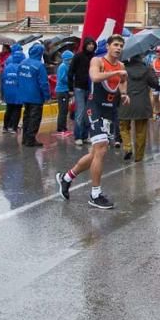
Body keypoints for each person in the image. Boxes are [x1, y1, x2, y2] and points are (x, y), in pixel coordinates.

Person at [56, 35, 128, 209]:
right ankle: (95, 194)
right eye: (115, 45)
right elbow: (95, 77)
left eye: (121, 46)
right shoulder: (98, 61)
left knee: (96, 153)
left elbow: (123, 80)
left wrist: (124, 94)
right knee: (101, 148)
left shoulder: (121, 66)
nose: (118, 48)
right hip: (94, 107)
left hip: (109, 110)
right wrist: (116, 73)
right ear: (108, 46)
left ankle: (66, 178)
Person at [119, 53, 160, 162]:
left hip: (125, 101)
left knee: (123, 127)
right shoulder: (146, 69)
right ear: (141, 57)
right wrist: (154, 74)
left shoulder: (123, 68)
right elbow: (155, 84)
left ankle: (127, 147)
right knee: (141, 131)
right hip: (142, 103)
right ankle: (139, 156)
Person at [17, 43, 50, 147]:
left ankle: (25, 138)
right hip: (36, 96)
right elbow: (44, 83)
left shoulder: (22, 63)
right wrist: (47, 96)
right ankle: (31, 139)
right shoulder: (39, 66)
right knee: (35, 118)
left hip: (25, 95)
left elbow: (18, 78)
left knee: (26, 117)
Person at [71, 37, 97, 146]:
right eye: (89, 44)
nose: (91, 46)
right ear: (85, 45)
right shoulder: (78, 56)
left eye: (92, 44)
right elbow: (70, 72)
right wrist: (70, 88)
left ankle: (86, 136)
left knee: (88, 113)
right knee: (80, 112)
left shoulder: (95, 58)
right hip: (79, 88)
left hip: (90, 88)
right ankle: (78, 136)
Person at [1, 46, 25, 133]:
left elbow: (3, 78)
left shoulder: (7, 67)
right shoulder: (22, 67)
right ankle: (13, 127)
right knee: (17, 109)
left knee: (9, 109)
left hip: (8, 90)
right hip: (18, 91)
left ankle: (5, 127)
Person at [54, 49, 74, 136]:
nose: (72, 61)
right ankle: (61, 128)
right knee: (63, 110)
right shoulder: (63, 66)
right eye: (71, 59)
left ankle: (63, 128)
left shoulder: (67, 66)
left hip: (64, 90)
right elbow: (62, 78)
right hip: (62, 91)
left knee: (65, 110)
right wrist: (71, 81)